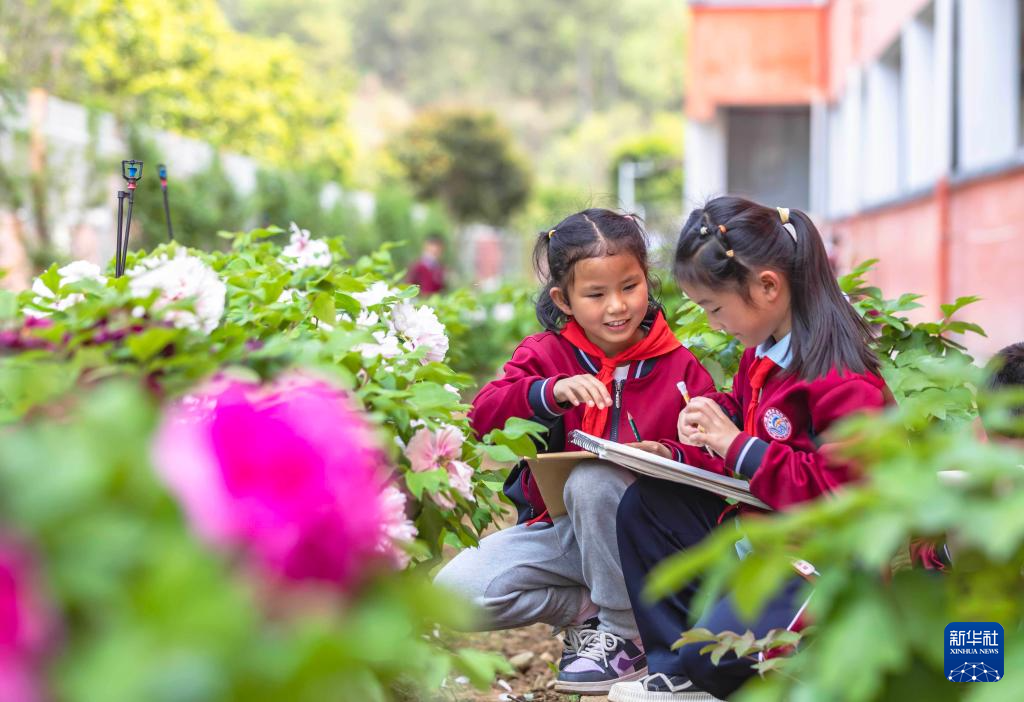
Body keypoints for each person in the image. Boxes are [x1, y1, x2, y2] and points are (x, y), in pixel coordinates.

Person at [610, 197, 890, 701]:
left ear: (767, 286)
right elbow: (741, 429)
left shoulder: (841, 376)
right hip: (760, 536)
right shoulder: (761, 354)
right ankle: (677, 670)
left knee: (713, 654)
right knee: (645, 505)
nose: (715, 324)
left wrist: (737, 444)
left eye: (715, 308)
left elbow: (843, 495)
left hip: (823, 562)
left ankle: (797, 671)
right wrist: (677, 452)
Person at [434, 209, 716, 695]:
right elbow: (482, 415)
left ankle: (627, 635)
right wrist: (550, 392)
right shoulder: (545, 355)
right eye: (595, 294)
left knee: (595, 479)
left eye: (629, 287)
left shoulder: (679, 366)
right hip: (565, 531)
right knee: (452, 595)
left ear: (647, 280)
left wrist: (666, 451)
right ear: (563, 299)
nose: (617, 307)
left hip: (647, 541)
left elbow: (711, 457)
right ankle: (593, 612)